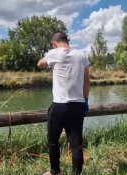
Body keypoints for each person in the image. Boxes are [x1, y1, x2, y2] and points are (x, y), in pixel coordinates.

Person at [37, 32, 90, 175]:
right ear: (67, 40)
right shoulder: (82, 55)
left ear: (54, 43)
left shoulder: (54, 52)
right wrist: (85, 101)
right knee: (76, 144)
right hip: (78, 105)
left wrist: (48, 56)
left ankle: (55, 171)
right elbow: (86, 81)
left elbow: (40, 64)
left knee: (53, 140)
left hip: (60, 105)